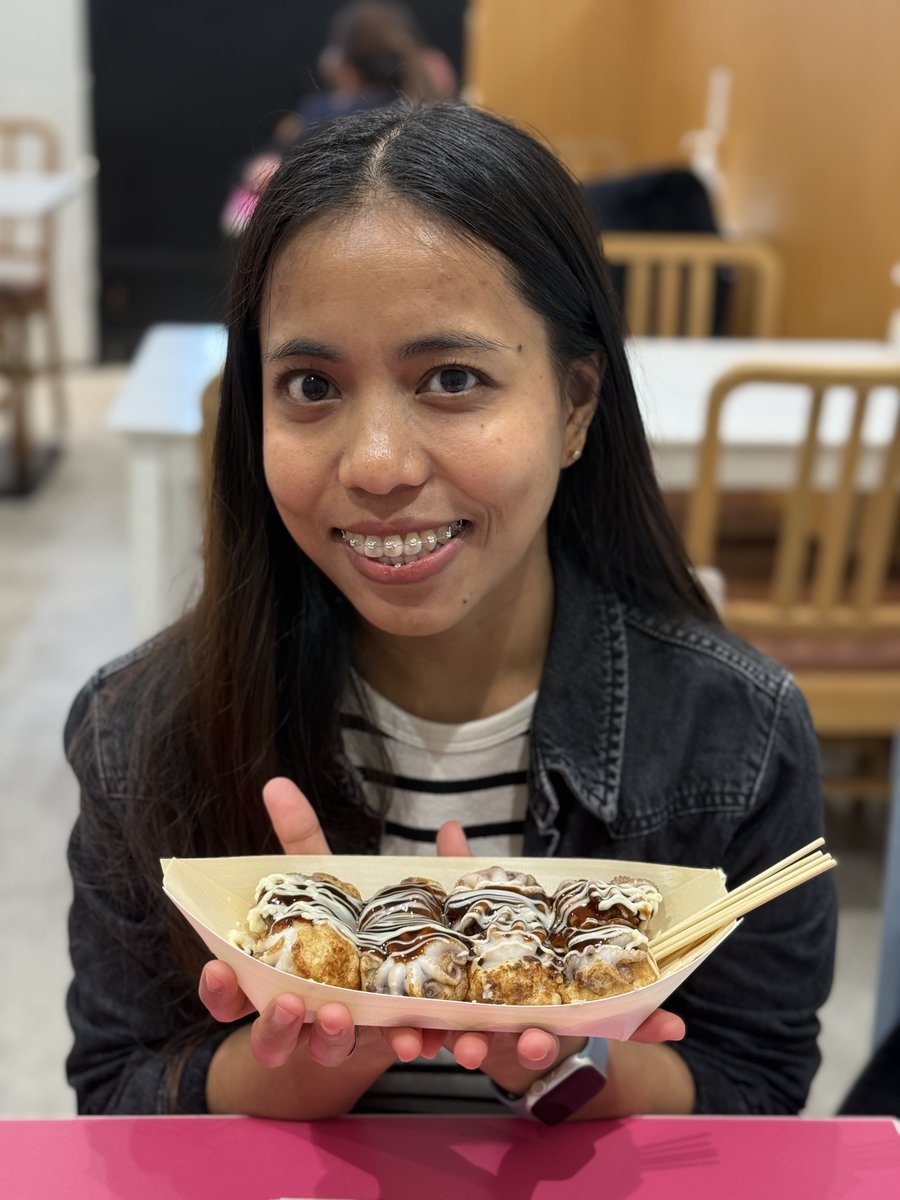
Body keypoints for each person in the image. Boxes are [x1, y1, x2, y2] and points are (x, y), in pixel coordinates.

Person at [65, 100, 836, 1121]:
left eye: (453, 378)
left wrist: (573, 1063)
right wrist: (289, 1074)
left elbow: (760, 1090)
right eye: (309, 384)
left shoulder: (732, 737)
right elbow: (114, 1093)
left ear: (573, 405)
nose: (378, 466)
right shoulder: (140, 735)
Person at [221, 1, 451, 236]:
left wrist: (259, 169)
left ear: (339, 64)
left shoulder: (322, 113)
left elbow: (264, 169)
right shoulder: (436, 118)